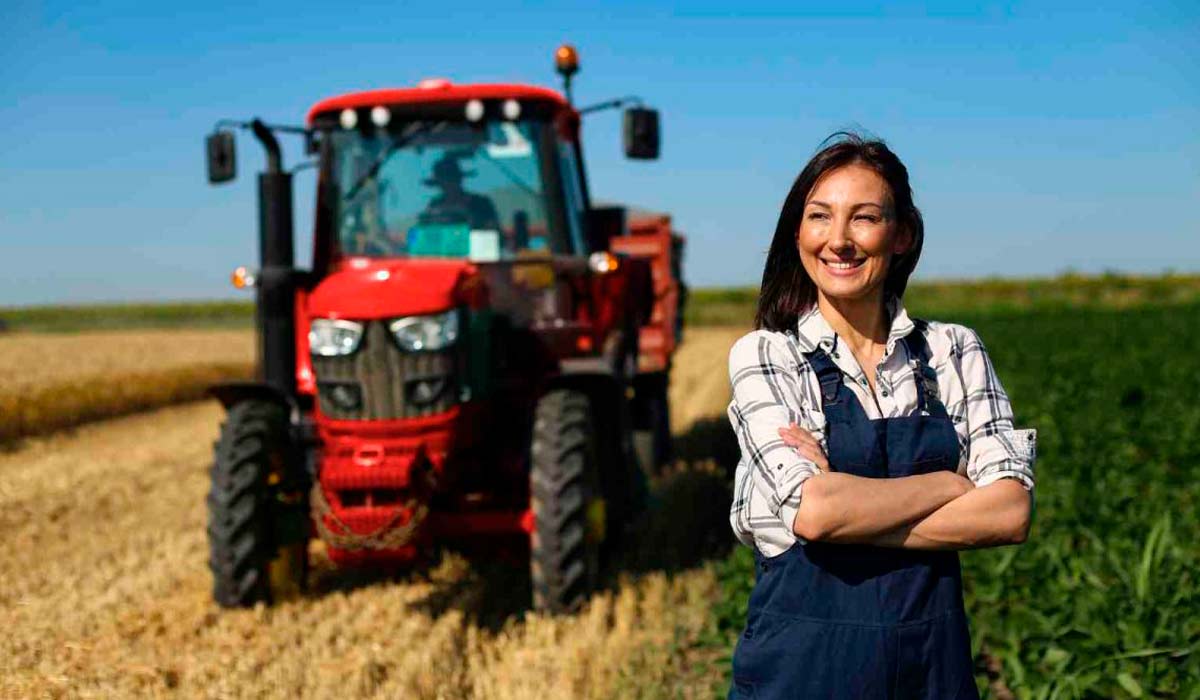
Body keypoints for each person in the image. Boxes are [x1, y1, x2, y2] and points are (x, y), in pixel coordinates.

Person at [726, 133, 1037, 699]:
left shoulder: (954, 350)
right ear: (797, 231)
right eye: (819, 216)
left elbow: (1009, 513)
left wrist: (851, 509)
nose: (839, 240)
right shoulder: (768, 355)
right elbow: (817, 513)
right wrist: (949, 483)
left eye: (864, 218)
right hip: (801, 676)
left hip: (931, 675)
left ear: (903, 236)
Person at [418, 154, 501, 231]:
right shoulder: (434, 207)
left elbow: (493, 232)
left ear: (459, 180)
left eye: (451, 180)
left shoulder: (481, 204)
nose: (448, 186)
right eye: (443, 182)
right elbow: (424, 233)